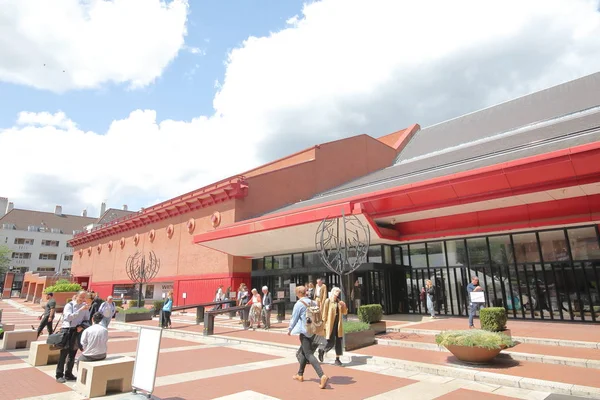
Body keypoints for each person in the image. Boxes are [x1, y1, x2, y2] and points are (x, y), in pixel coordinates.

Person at [288, 285, 329, 389]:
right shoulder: (313, 302)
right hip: (313, 331)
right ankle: (300, 374)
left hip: (304, 332)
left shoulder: (298, 304)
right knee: (303, 353)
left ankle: (322, 375)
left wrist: (290, 329)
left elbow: (294, 318)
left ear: (298, 294)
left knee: (308, 354)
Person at [56, 290, 90, 383]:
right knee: (64, 353)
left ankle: (68, 373)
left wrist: (82, 326)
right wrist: (80, 310)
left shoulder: (85, 307)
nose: (83, 299)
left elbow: (87, 319)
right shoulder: (69, 305)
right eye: (81, 297)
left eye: (84, 297)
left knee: (73, 353)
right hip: (67, 330)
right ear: (77, 296)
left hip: (77, 331)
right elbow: (68, 317)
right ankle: (59, 374)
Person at [318, 287, 347, 366]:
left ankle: (337, 359)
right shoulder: (328, 301)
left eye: (338, 292)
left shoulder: (339, 302)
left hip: (338, 324)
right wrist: (323, 324)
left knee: (339, 341)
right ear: (333, 292)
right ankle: (322, 350)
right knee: (331, 341)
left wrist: (344, 306)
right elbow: (324, 313)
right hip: (330, 324)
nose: (337, 293)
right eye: (336, 291)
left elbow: (344, 312)